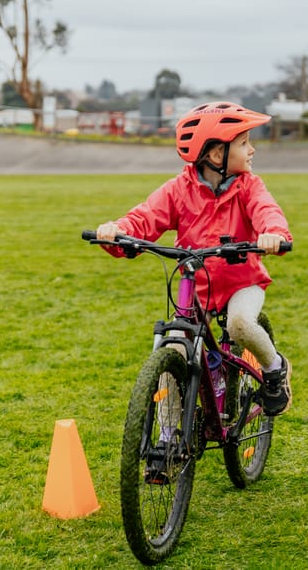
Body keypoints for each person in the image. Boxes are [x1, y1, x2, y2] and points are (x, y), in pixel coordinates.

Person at [96, 101, 294, 416]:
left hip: (243, 281)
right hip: (196, 288)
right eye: (244, 144)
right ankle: (167, 442)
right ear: (217, 155)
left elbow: (266, 210)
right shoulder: (178, 190)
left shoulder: (249, 187)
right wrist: (118, 232)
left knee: (241, 323)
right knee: (172, 349)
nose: (252, 150)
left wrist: (274, 234)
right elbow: (146, 217)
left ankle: (274, 368)